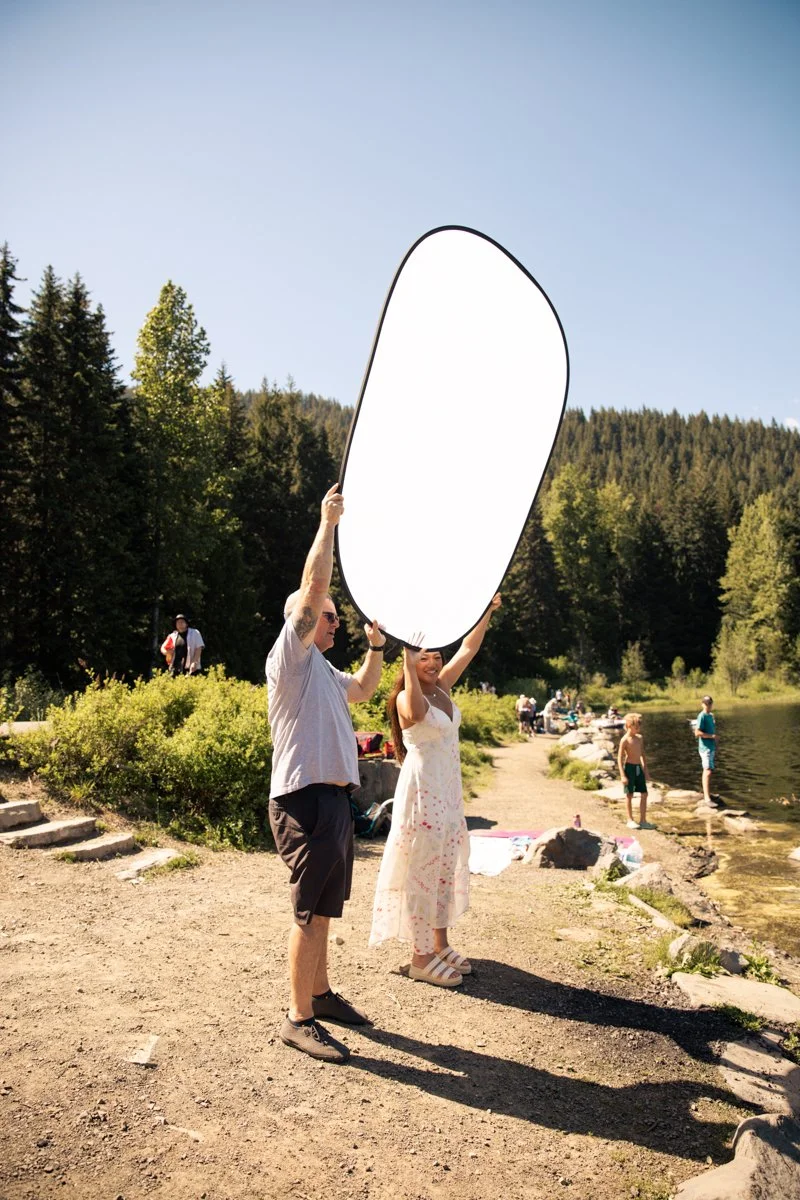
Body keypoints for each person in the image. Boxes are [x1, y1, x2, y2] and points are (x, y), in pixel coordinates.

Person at [266, 483, 387, 1064]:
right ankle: (298, 1019)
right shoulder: (289, 656)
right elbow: (313, 588)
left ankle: (321, 993)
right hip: (303, 799)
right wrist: (328, 525)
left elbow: (365, 689)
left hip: (336, 801)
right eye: (330, 616)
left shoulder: (326, 670)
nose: (334, 622)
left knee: (327, 909)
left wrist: (377, 648)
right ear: (305, 618)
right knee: (309, 910)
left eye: (337, 617)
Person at [369, 595, 502, 988]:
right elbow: (413, 712)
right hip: (423, 795)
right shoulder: (405, 697)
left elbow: (469, 648)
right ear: (410, 661)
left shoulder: (443, 686)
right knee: (422, 873)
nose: (433, 663)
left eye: (434, 657)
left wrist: (487, 613)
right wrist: (408, 664)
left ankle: (440, 944)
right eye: (423, 657)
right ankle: (419, 957)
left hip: (448, 792)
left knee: (444, 866)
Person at [618, 712, 654, 829]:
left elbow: (642, 754)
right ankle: (630, 819)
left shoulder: (639, 738)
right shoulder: (625, 740)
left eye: (639, 726)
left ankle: (643, 820)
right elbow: (619, 758)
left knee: (644, 793)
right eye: (636, 726)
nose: (638, 729)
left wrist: (646, 770)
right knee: (629, 794)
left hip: (638, 768)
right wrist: (623, 775)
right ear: (629, 725)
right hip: (629, 767)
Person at [695, 694, 717, 804]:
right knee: (707, 770)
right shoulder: (702, 716)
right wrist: (711, 736)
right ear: (702, 704)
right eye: (706, 704)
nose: (708, 706)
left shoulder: (711, 715)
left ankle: (708, 793)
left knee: (710, 770)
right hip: (705, 748)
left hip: (711, 747)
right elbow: (697, 732)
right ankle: (707, 798)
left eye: (710, 704)